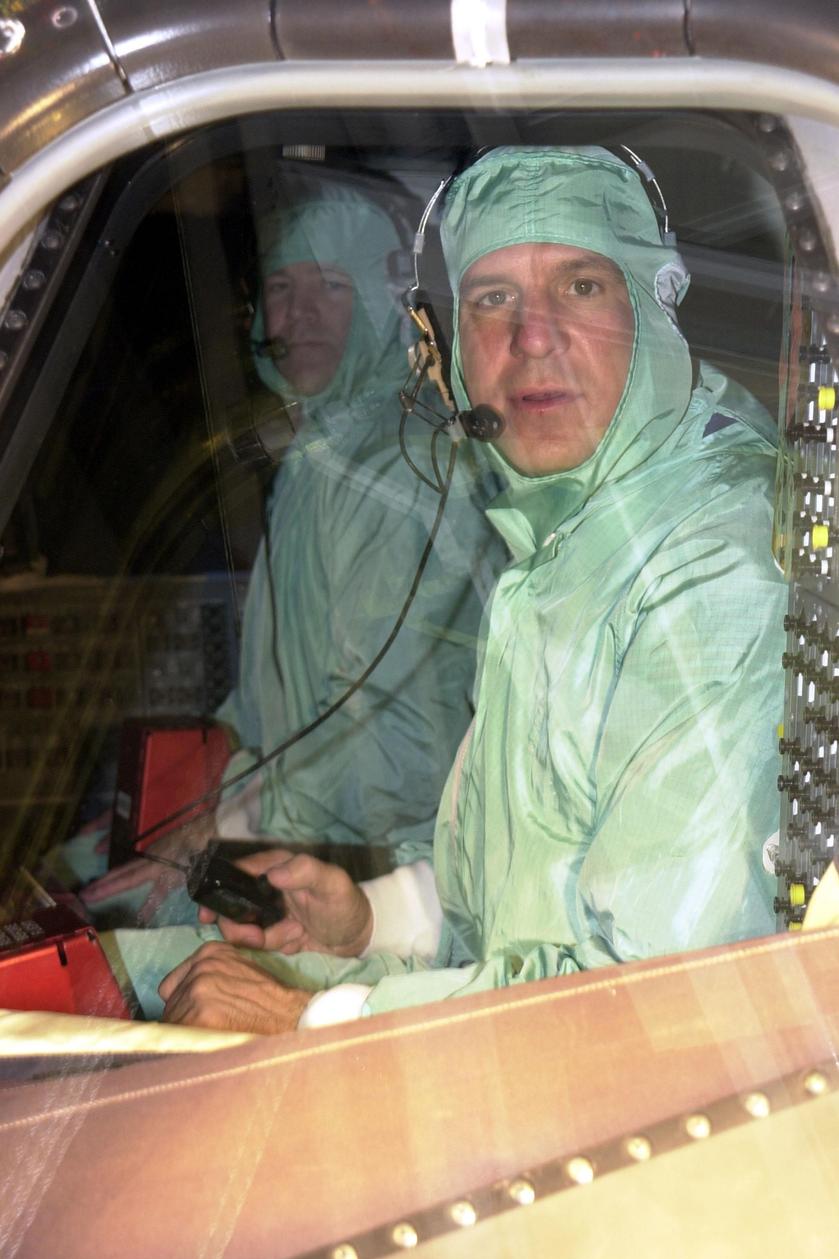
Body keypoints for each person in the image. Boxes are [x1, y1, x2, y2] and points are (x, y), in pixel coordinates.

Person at [151, 145, 787, 1032]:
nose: (532, 337)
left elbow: (653, 998)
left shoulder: (710, 571)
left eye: (580, 287)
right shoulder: (567, 536)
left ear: (650, 307)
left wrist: (313, 1016)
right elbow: (522, 889)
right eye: (491, 299)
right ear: (443, 344)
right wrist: (372, 920)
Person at [75, 172, 504, 927]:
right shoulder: (318, 457)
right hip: (309, 824)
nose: (299, 313)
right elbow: (270, 697)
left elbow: (383, 729)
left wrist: (222, 827)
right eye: (281, 286)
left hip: (392, 869)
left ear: (380, 302)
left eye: (331, 285)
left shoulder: (399, 468)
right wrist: (192, 795)